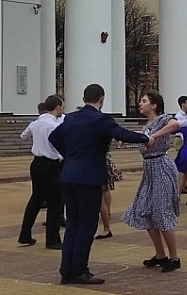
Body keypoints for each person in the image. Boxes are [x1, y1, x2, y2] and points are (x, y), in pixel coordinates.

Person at [50, 84, 151, 285]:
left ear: (84, 98)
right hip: (89, 178)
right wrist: (146, 138)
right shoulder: (100, 120)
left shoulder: (71, 118)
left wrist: (70, 155)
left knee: (73, 224)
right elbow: (122, 134)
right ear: (102, 99)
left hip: (68, 176)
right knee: (87, 225)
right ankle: (80, 270)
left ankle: (66, 270)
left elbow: (53, 137)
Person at [121, 92, 181, 272]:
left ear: (154, 105)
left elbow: (175, 124)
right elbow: (142, 135)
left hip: (161, 166)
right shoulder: (147, 126)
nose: (140, 103)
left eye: (144, 101)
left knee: (161, 212)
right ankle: (160, 255)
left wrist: (153, 135)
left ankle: (174, 257)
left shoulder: (162, 119)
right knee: (144, 211)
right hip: (149, 169)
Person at [18, 95, 65, 249]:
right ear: (57, 107)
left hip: (36, 163)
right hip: (51, 164)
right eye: (62, 107)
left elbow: (24, 136)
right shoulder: (55, 126)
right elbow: (60, 144)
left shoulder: (36, 123)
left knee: (36, 199)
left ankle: (25, 234)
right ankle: (52, 239)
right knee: (55, 202)